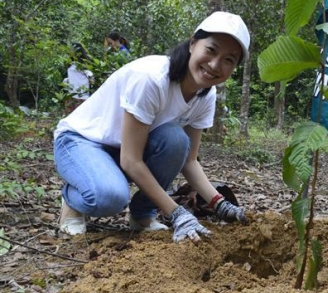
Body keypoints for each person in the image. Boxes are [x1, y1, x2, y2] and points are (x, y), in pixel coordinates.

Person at [54, 11, 250, 242]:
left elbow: (189, 161)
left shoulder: (206, 95)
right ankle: (72, 200)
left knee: (176, 140)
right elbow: (131, 160)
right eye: (211, 50)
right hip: (81, 142)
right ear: (193, 43)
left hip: (121, 149)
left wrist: (221, 205)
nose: (215, 64)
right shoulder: (152, 79)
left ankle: (142, 215)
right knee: (109, 198)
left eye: (229, 59)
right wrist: (177, 213)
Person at [64, 43, 94, 114]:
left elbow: (90, 75)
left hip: (79, 95)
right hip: (76, 94)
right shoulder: (72, 63)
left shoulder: (82, 64)